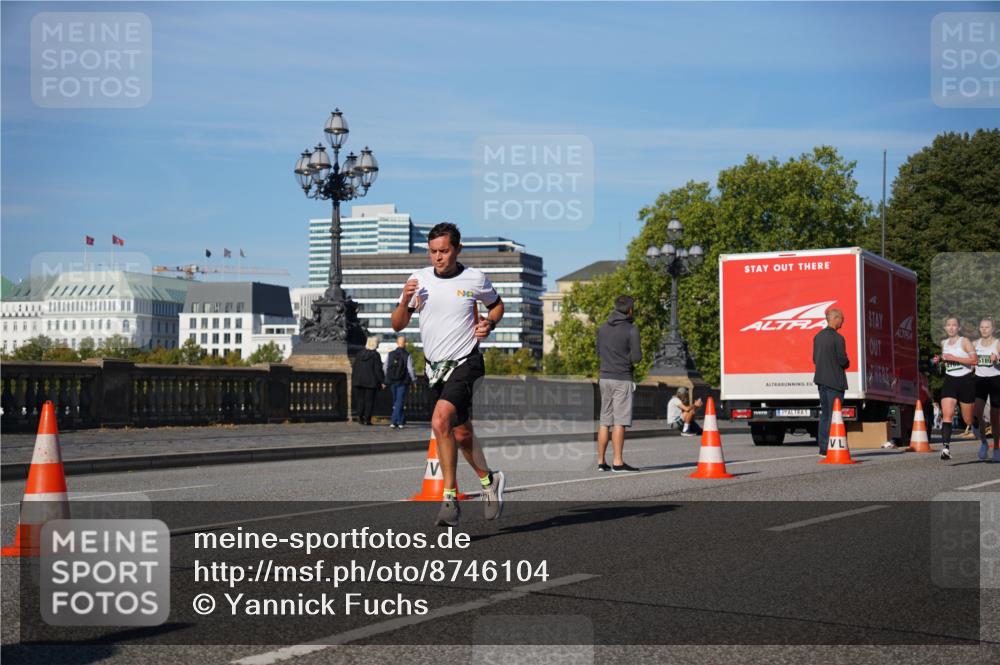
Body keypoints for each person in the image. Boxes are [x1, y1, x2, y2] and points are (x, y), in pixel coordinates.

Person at [391, 222, 505, 527]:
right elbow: (398, 325)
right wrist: (404, 299)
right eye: (433, 252)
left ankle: (449, 498)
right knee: (461, 433)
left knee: (440, 420)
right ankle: (489, 481)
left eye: (443, 251)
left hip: (466, 362)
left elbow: (496, 306)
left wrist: (489, 324)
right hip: (434, 368)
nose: (438, 257)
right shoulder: (419, 280)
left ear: (457, 249)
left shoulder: (475, 278)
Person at [596, 295, 642, 472]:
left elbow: (598, 352)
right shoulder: (632, 329)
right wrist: (626, 359)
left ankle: (601, 462)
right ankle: (618, 462)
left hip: (604, 377)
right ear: (630, 310)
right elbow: (637, 357)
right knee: (619, 421)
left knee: (604, 421)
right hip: (622, 378)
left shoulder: (602, 328)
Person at [932, 316, 978, 461]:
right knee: (947, 414)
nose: (951, 328)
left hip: (965, 381)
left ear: (958, 328)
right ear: (945, 328)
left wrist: (954, 358)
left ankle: (977, 425)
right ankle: (945, 448)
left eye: (954, 325)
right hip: (950, 381)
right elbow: (945, 358)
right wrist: (938, 360)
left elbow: (974, 360)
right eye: (948, 325)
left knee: (968, 419)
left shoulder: (964, 342)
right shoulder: (944, 343)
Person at [813, 308, 849, 457]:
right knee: (835, 416)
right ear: (834, 319)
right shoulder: (838, 339)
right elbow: (842, 360)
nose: (843, 321)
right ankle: (832, 447)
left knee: (825, 415)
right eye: (841, 318)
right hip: (835, 382)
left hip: (821, 381)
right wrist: (847, 362)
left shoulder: (818, 336)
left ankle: (823, 448)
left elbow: (815, 359)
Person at [972, 316, 1000, 461]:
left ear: (993, 329)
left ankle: (996, 448)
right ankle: (983, 443)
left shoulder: (997, 343)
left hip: (996, 380)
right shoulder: (975, 344)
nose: (984, 329)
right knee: (977, 413)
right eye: (982, 327)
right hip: (980, 380)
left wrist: (998, 359)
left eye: (987, 327)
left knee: (995, 418)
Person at [383, 335, 417, 429]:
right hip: (403, 381)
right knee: (399, 401)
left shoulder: (390, 354)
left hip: (392, 381)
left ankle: (401, 421)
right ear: (405, 343)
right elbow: (410, 369)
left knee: (396, 401)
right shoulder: (407, 355)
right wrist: (414, 380)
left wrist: (388, 376)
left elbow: (385, 367)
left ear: (397, 343)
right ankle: (394, 421)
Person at [351, 336, 385, 426]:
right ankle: (367, 419)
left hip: (358, 381)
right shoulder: (375, 355)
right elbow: (378, 370)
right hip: (371, 382)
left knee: (360, 400)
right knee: (369, 401)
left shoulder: (359, 354)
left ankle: (360, 417)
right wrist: (382, 381)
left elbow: (355, 368)